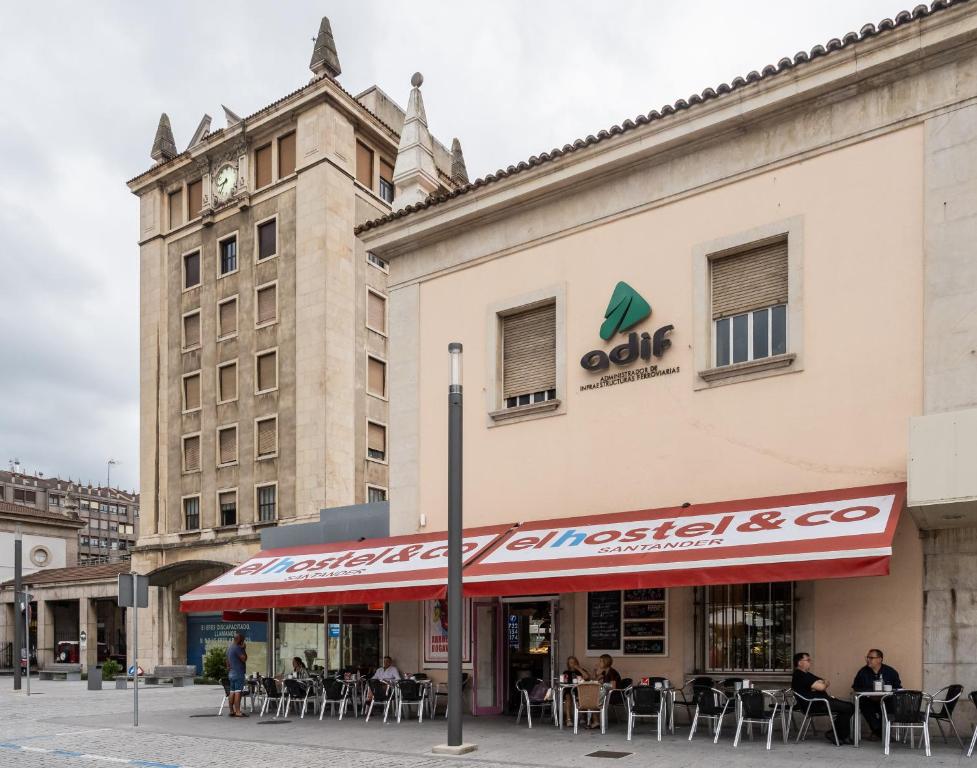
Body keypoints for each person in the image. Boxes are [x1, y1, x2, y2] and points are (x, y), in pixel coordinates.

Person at [791, 651, 853, 744]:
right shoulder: (799, 675)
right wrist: (822, 684)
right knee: (849, 707)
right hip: (814, 704)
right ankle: (836, 734)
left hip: (821, 702)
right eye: (807, 660)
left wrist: (822, 684)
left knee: (848, 707)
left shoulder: (807, 674)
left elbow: (825, 681)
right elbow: (822, 686)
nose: (810, 662)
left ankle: (839, 735)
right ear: (800, 663)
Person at [852, 648, 902, 741]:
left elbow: (898, 688)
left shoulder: (890, 671)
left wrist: (885, 693)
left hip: (886, 700)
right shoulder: (863, 672)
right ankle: (881, 732)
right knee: (862, 702)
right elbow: (856, 687)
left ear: (880, 659)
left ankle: (878, 733)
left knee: (891, 704)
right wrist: (870, 694)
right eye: (867, 657)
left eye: (871, 658)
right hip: (869, 700)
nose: (868, 660)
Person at [588, 654, 621, 728]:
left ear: (606, 662)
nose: (599, 663)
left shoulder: (612, 672)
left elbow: (613, 686)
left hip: (614, 695)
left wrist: (603, 684)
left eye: (601, 661)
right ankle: (595, 721)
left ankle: (596, 721)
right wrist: (595, 670)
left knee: (593, 699)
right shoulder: (604, 672)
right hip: (605, 694)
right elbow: (594, 680)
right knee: (591, 698)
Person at [562, 656, 591, 726]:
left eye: (574, 662)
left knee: (582, 697)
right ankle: (568, 719)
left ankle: (583, 717)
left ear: (577, 663)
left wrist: (578, 668)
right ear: (568, 664)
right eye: (571, 662)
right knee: (567, 697)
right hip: (569, 690)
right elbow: (564, 682)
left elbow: (587, 677)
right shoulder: (566, 672)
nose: (573, 664)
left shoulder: (581, 670)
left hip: (580, 690)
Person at [226, 632, 248, 718]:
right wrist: (244, 649)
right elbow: (244, 659)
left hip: (231, 673)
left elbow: (227, 662)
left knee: (232, 692)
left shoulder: (229, 648)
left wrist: (230, 668)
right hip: (238, 672)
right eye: (242, 639)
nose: (243, 641)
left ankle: (232, 710)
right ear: (239, 639)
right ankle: (238, 712)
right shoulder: (238, 648)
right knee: (238, 692)